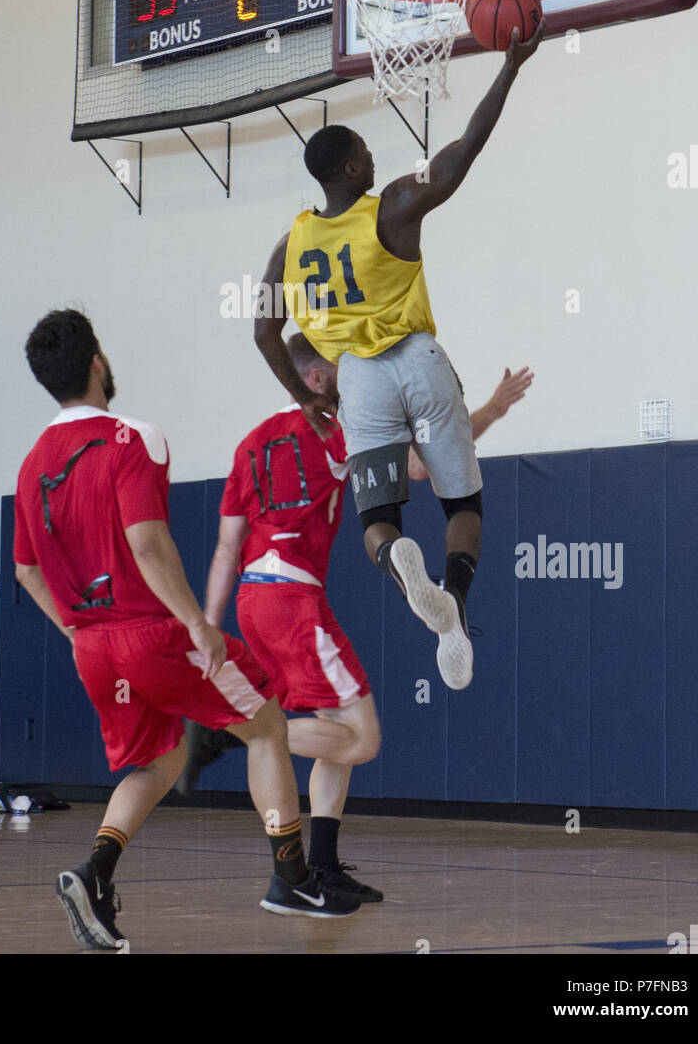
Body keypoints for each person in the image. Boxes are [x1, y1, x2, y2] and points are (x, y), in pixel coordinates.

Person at [13, 309, 361, 950]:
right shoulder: (133, 437)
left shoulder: (33, 461)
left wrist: (73, 630)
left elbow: (26, 568)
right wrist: (196, 623)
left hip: (92, 649)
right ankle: (290, 878)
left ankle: (94, 874)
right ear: (98, 362)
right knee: (266, 725)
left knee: (160, 758)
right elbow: (147, 544)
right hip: (153, 634)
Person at [184, 334, 532, 893]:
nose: (354, 375)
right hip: (292, 598)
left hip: (253, 598)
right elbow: (421, 467)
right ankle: (232, 731)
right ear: (316, 380)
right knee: (362, 738)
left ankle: (320, 864)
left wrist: (208, 628)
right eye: (338, 365)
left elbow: (227, 547)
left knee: (336, 735)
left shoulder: (250, 444)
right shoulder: (334, 426)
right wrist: (490, 409)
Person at [253, 25, 543, 688]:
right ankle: (457, 604)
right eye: (365, 153)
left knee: (378, 519)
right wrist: (512, 67)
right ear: (353, 168)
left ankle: (410, 574)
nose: (373, 160)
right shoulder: (392, 210)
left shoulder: (290, 245)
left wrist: (310, 401)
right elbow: (464, 151)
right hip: (416, 357)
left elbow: (265, 336)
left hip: (357, 381)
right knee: (462, 504)